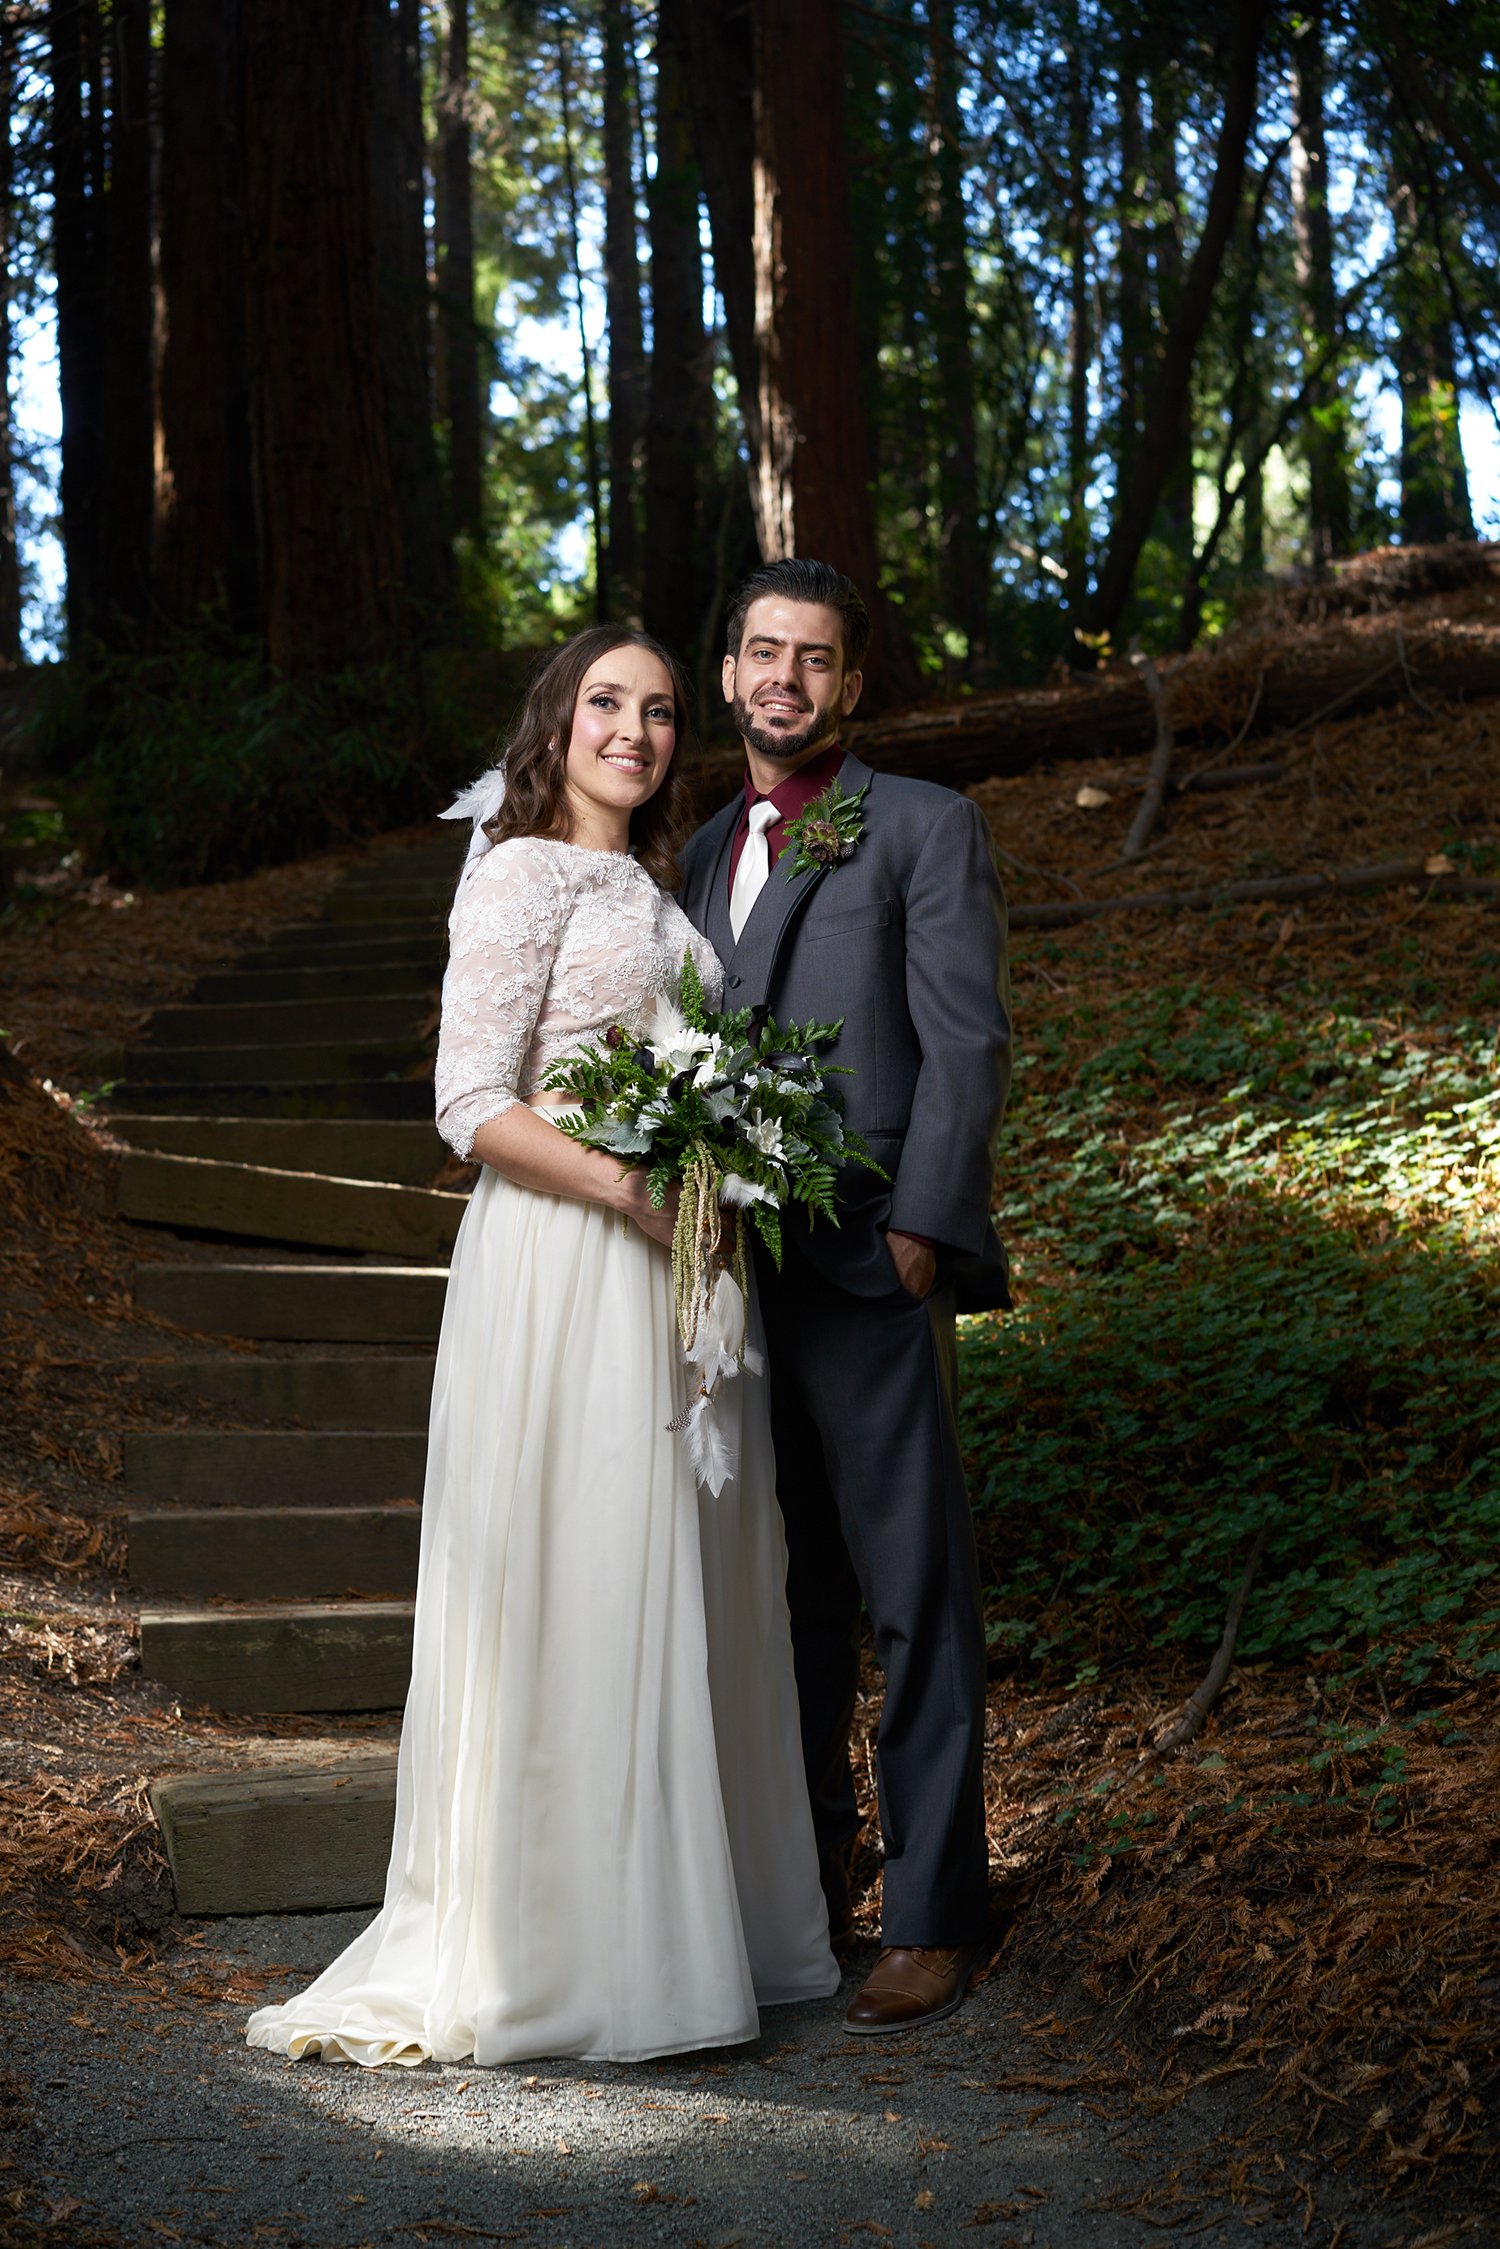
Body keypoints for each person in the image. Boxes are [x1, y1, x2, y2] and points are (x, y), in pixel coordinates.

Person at [246, 627, 838, 2069]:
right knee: (578, 1576)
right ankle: (565, 1944)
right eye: (604, 704)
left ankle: (691, 1924)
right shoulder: (516, 873)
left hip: (673, 1278)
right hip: (567, 1264)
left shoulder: (657, 885)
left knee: (677, 1585)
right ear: (555, 725)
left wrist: (722, 1170)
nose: (631, 729)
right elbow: (469, 1100)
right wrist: (635, 1189)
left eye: (655, 710)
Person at [678, 559, 1012, 2037]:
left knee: (911, 1591)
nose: (784, 679)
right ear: (732, 667)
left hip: (871, 1261)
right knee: (785, 1599)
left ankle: (934, 1908)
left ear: (851, 684)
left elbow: (966, 1039)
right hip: (735, 1283)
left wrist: (926, 1231)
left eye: (813, 658)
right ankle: (804, 1888)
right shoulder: (697, 851)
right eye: (762, 652)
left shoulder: (924, 826)